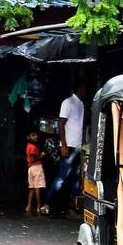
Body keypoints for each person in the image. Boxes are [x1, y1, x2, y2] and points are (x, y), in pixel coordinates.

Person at [45, 81, 88, 217]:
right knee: (62, 177)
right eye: (85, 88)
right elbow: (61, 123)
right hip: (68, 145)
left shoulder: (81, 104)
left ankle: (72, 205)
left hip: (78, 145)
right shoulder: (68, 102)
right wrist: (63, 145)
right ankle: (47, 203)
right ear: (80, 88)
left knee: (75, 178)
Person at [24, 132, 46, 215]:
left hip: (30, 168)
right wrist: (41, 155)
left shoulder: (28, 146)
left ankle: (28, 206)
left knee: (32, 188)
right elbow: (33, 159)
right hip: (37, 167)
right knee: (38, 187)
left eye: (36, 135)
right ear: (28, 137)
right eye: (33, 135)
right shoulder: (33, 147)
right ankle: (39, 206)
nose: (36, 137)